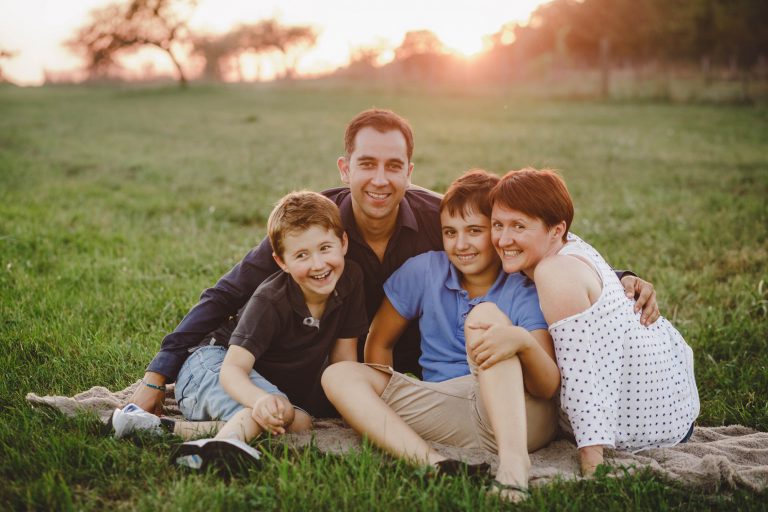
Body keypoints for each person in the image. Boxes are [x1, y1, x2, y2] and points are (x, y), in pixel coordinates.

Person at [129, 108, 659, 417]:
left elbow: (527, 227)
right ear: (345, 166)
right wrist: (159, 374)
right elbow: (224, 295)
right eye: (366, 164)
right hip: (302, 361)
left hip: (399, 377)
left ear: (410, 169)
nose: (379, 179)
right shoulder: (313, 228)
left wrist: (616, 277)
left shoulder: (440, 220)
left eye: (392, 165)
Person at [322, 170, 560, 501]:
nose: (460, 245)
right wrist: (388, 398)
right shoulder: (424, 271)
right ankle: (433, 463)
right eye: (450, 232)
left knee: (485, 316)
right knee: (338, 375)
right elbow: (379, 343)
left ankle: (513, 466)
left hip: (521, 416)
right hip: (449, 410)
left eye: (474, 231)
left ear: (496, 231)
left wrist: (519, 340)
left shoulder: (523, 288)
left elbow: (547, 387)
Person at [114, 191, 367, 465]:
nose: (318, 264)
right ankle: (221, 447)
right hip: (211, 364)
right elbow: (233, 368)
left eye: (325, 248)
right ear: (281, 262)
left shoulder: (350, 280)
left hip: (247, 376)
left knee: (298, 421)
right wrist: (260, 399)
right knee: (273, 408)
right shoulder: (270, 299)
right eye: (302, 254)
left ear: (343, 243)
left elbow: (344, 360)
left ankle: (152, 427)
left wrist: (356, 407)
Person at [488, 168, 699, 476]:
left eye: (519, 226)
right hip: (675, 412)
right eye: (497, 225)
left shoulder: (554, 273)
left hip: (643, 431)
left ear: (556, 229)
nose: (504, 239)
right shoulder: (571, 245)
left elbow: (581, 374)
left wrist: (593, 466)